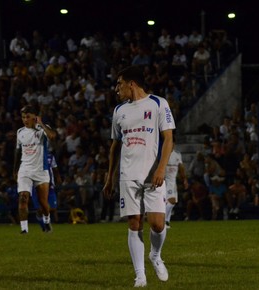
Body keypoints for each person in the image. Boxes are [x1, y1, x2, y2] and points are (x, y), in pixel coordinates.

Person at [102, 65, 175, 287]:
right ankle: (140, 275)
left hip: (152, 174)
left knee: (158, 224)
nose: (116, 89)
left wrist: (161, 168)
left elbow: (169, 139)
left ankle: (155, 255)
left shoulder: (158, 103)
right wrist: (109, 177)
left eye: (119, 84)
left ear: (131, 84)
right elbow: (114, 147)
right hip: (127, 174)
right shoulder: (118, 111)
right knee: (134, 223)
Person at [13, 105, 57, 234]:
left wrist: (41, 124)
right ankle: (24, 229)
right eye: (23, 117)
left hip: (41, 171)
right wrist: (15, 170)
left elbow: (52, 136)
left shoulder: (42, 130)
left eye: (28, 117)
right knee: (23, 197)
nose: (25, 120)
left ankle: (47, 220)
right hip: (25, 169)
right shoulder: (20, 132)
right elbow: (18, 151)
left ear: (35, 117)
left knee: (43, 203)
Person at [31, 151, 62, 230]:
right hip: (37, 186)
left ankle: (41, 218)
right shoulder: (32, 156)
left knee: (53, 208)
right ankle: (44, 225)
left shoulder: (50, 157)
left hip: (49, 185)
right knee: (41, 209)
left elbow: (54, 168)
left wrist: (58, 177)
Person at [165, 140, 188, 229]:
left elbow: (181, 168)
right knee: (172, 201)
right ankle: (163, 220)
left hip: (173, 181)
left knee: (170, 202)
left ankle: (167, 221)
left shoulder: (177, 154)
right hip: (166, 180)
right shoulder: (163, 154)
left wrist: (184, 179)